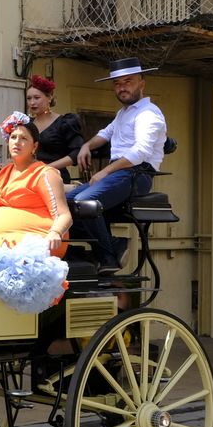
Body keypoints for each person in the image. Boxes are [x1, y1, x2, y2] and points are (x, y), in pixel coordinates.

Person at [68, 57, 167, 271]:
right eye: (117, 84)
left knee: (84, 201)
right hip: (120, 174)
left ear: (142, 83)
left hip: (137, 174)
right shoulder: (124, 113)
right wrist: (86, 145)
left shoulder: (148, 114)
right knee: (62, 201)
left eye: (128, 82)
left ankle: (108, 257)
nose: (122, 88)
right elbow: (105, 134)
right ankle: (110, 244)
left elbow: (140, 152)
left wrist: (105, 171)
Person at [0, 112, 73, 256]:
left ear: (34, 146)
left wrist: (55, 232)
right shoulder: (5, 171)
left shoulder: (45, 173)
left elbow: (64, 215)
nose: (17, 142)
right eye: (13, 137)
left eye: (23, 138)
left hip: (35, 243)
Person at [25, 74, 84, 183]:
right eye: (29, 98)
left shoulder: (65, 122)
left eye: (37, 98)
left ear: (49, 98)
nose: (32, 102)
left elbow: (77, 152)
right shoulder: (27, 124)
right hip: (31, 178)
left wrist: (47, 168)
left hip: (56, 178)